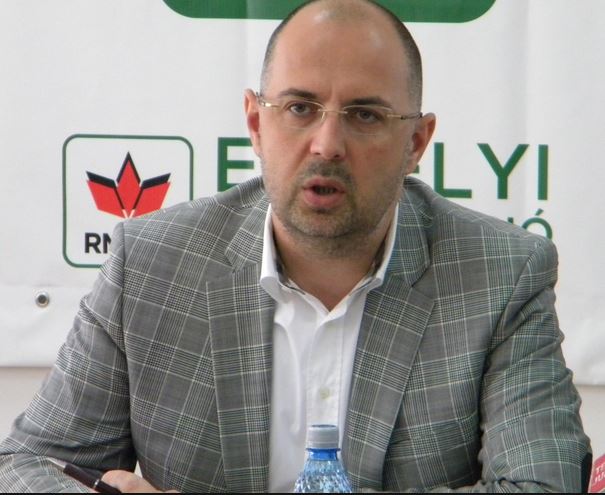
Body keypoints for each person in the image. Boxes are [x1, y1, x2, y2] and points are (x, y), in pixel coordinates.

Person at [0, 0, 591, 492]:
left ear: (416, 141)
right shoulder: (152, 263)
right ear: (256, 124)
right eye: (300, 108)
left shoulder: (502, 273)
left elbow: (544, 484)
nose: (326, 144)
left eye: (364, 115)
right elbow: (26, 466)